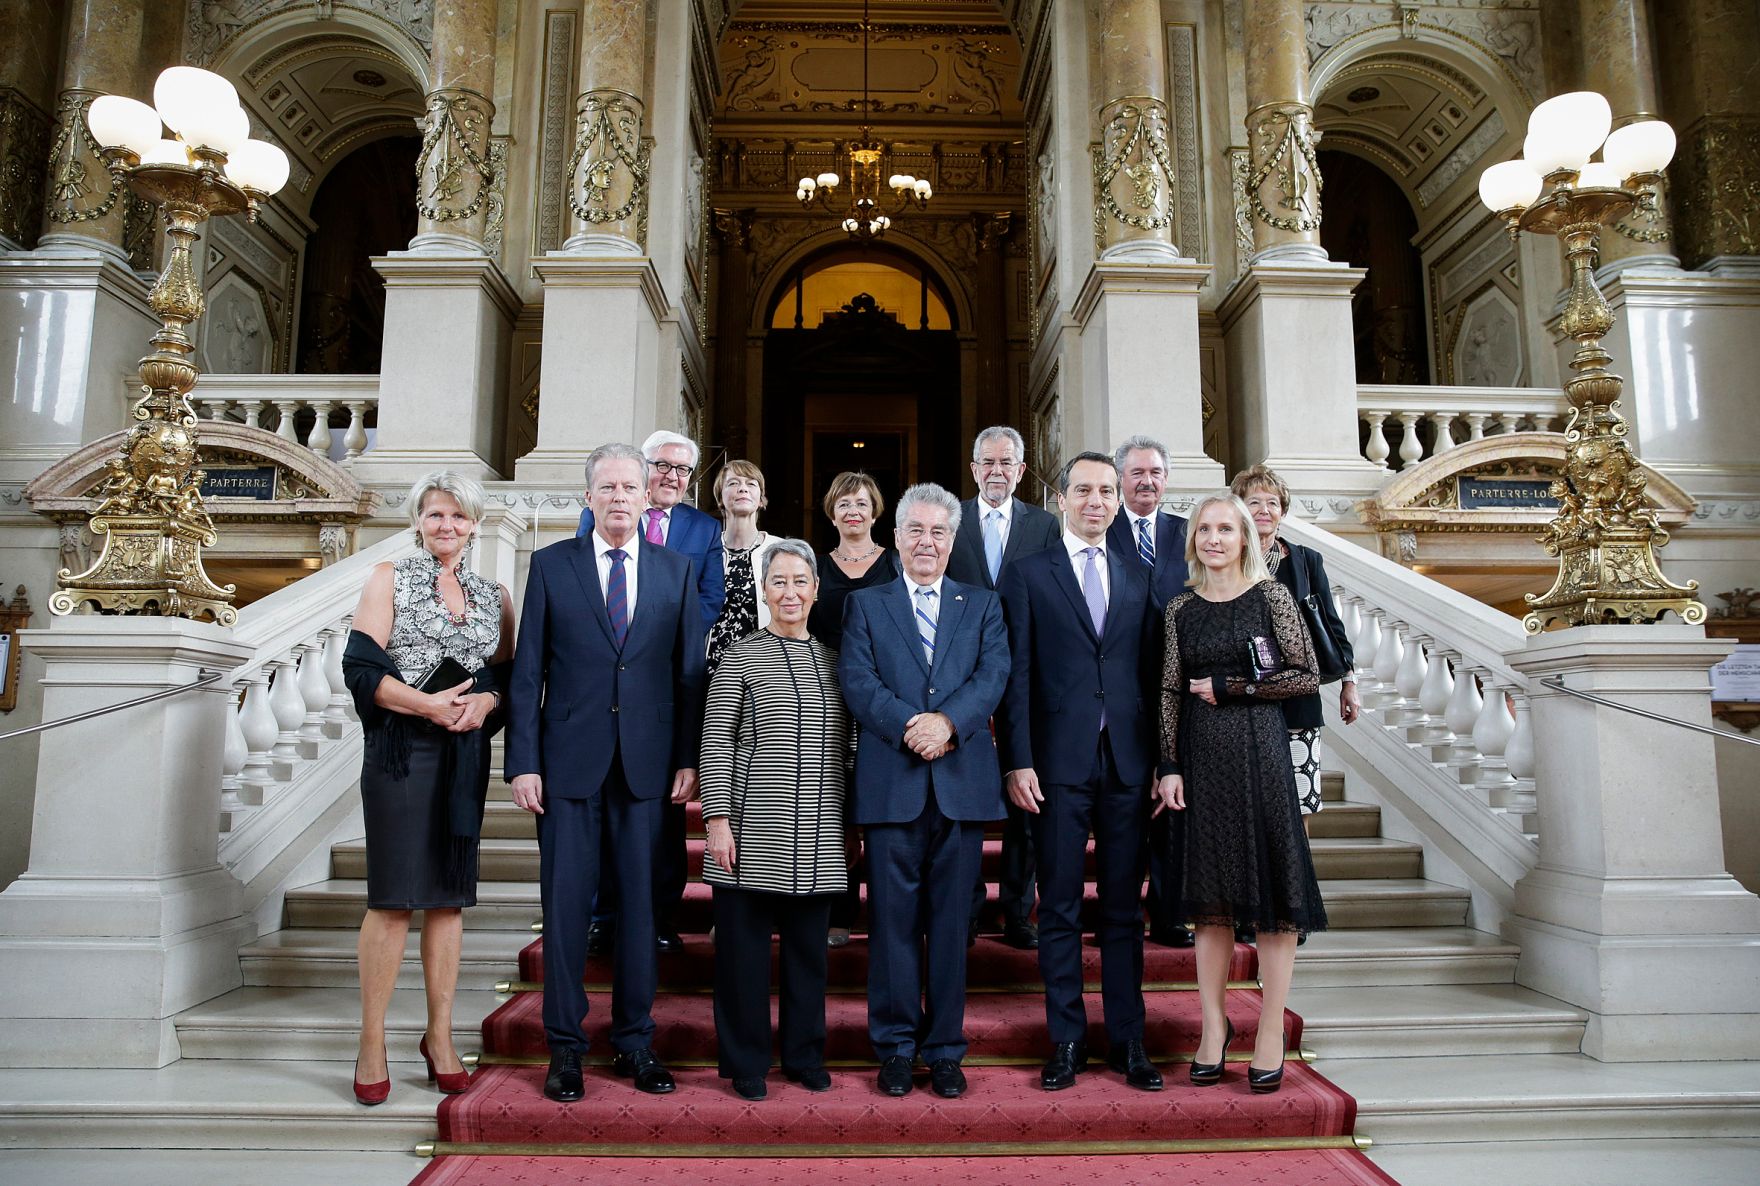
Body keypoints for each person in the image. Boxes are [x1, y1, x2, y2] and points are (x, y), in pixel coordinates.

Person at [506, 443, 706, 1104]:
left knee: (641, 911)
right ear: (588, 498)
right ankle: (565, 1048)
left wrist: (687, 757)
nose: (620, 497)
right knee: (565, 912)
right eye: (608, 487)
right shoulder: (551, 566)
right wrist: (523, 762)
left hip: (648, 770)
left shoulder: (676, 571)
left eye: (630, 486)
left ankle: (634, 1041)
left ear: (648, 497)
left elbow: (688, 679)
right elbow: (528, 671)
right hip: (566, 769)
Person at [997, 452, 1169, 1094]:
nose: (1096, 500)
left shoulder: (1138, 575)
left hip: (1127, 763)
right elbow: (1016, 678)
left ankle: (1130, 1042)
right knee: (1061, 906)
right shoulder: (1027, 574)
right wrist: (1015, 758)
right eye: (1083, 490)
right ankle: (1066, 1039)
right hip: (1055, 764)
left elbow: (1154, 680)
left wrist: (1163, 761)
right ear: (1062, 499)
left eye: (1106, 490)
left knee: (1124, 910)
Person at [341, 472, 513, 1106]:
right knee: (393, 899)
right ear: (419, 520)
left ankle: (439, 1036)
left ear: (474, 523)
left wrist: (487, 700)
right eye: (436, 515)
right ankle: (371, 1039)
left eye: (459, 517)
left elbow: (505, 674)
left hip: (462, 752)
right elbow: (360, 667)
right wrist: (426, 706)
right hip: (399, 749)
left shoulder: (493, 592)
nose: (447, 526)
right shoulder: (390, 577)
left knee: (447, 899)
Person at [839, 482, 1010, 1100]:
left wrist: (950, 725)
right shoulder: (867, 604)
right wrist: (911, 727)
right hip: (893, 783)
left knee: (949, 924)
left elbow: (994, 675)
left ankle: (943, 1049)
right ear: (898, 536)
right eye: (916, 530)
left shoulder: (983, 604)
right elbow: (856, 680)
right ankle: (893, 1046)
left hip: (960, 784)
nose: (927, 542)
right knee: (890, 925)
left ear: (952, 538)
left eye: (939, 532)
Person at [1154, 493, 1328, 1095]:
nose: (1214, 538)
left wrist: (1233, 685)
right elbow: (1171, 691)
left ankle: (1272, 1030)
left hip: (1262, 756)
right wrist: (1169, 764)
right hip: (1201, 762)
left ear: (1245, 537)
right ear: (1193, 539)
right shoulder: (1180, 608)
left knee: (1276, 900)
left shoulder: (1270, 596)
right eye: (1204, 528)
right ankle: (1212, 1026)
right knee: (1211, 903)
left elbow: (1306, 674)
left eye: (1225, 528)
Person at [700, 539, 855, 1101]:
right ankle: (745, 1062)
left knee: (809, 958)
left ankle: (804, 1055)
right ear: (764, 592)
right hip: (748, 826)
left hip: (820, 830)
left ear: (816, 590)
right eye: (779, 581)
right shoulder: (739, 656)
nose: (790, 592)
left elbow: (848, 749)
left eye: (800, 581)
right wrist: (717, 820)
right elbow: (717, 742)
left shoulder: (836, 661)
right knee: (742, 959)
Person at [576, 429, 724, 956]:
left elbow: (709, 596)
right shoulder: (606, 511)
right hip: (607, 688)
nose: (672, 477)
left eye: (683, 471)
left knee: (660, 822)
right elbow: (586, 582)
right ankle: (603, 917)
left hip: (666, 678)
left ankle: (658, 916)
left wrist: (662, 629)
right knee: (604, 818)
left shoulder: (704, 529)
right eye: (662, 466)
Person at [946, 425, 1060, 950]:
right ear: (973, 470)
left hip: (1027, 676)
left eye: (1006, 462)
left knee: (1026, 799)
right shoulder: (950, 521)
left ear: (1020, 468)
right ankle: (966, 910)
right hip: (959, 679)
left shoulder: (1044, 526)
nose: (996, 471)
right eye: (986, 462)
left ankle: (1018, 910)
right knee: (965, 795)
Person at [1230, 463, 1360, 822]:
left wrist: (1349, 682)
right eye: (1254, 503)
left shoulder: (1305, 561)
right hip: (1244, 697)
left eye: (1272, 503)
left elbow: (1330, 624)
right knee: (1251, 804)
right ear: (1240, 509)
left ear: (1283, 512)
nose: (1264, 511)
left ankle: (1296, 876)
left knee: (1299, 802)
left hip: (1299, 697)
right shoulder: (1225, 561)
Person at [807, 471, 901, 947]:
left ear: (875, 510)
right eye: (844, 504)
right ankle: (839, 909)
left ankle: (886, 909)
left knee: (881, 801)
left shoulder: (898, 563)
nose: (853, 512)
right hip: (827, 695)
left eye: (861, 503)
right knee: (834, 808)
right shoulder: (815, 565)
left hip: (886, 696)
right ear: (832, 511)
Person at [1108, 435, 1194, 950]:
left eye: (1155, 472)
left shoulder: (1189, 534)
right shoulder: (1098, 532)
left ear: (1166, 478)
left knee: (1171, 810)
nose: (1147, 481)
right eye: (1137, 472)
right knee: (1121, 815)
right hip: (1116, 692)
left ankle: (1167, 914)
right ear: (1120, 479)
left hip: (1175, 694)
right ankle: (1118, 913)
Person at [705, 460, 785, 675]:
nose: (742, 488)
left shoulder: (780, 550)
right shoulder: (704, 548)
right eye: (733, 483)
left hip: (763, 668)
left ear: (761, 499)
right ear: (720, 497)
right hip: (708, 667)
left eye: (751, 484)